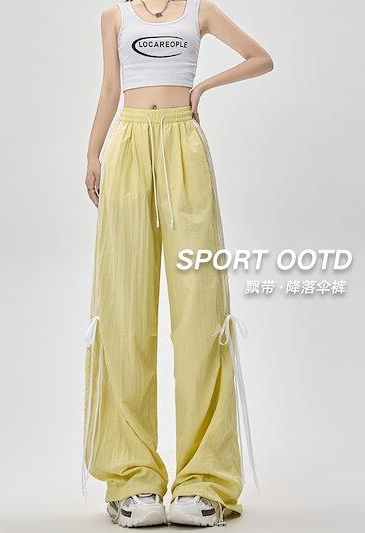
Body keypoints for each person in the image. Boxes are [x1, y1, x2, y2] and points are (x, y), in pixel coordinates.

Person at [83, 0, 273, 527]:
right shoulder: (116, 16)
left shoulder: (200, 10)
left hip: (184, 146)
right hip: (127, 144)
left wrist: (203, 87)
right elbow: (110, 88)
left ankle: (204, 480)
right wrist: (93, 153)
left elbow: (260, 58)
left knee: (201, 314)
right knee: (124, 314)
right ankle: (133, 480)